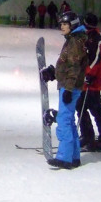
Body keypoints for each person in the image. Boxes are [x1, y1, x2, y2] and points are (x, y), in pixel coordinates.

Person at [40, 11, 87, 169]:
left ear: (72, 25)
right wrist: (54, 73)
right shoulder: (74, 40)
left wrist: (67, 89)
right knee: (69, 121)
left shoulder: (74, 42)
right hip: (70, 85)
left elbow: (74, 68)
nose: (62, 26)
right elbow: (67, 66)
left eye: (65, 24)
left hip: (70, 87)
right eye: (61, 24)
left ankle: (64, 157)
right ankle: (74, 156)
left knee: (64, 121)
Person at [77, 12, 101, 150]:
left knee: (94, 107)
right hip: (85, 79)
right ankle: (87, 135)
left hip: (93, 81)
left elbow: (98, 59)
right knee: (81, 107)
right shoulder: (86, 36)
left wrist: (89, 74)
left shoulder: (95, 38)